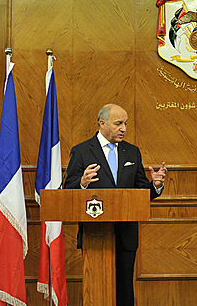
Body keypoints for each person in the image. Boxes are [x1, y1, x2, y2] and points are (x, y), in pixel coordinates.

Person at [64, 103, 167, 306]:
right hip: (95, 233)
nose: (124, 129)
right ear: (102, 123)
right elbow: (68, 190)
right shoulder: (82, 151)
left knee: (125, 290)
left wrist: (154, 185)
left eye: (126, 124)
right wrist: (82, 183)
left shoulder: (132, 152)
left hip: (126, 233)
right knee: (96, 290)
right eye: (118, 123)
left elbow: (140, 191)